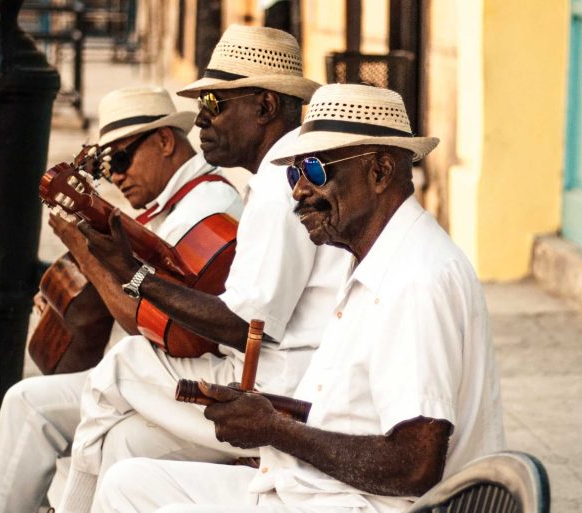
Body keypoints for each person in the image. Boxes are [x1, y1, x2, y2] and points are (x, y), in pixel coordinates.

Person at [97, 83, 507, 513]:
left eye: (314, 170)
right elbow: (353, 412)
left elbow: (415, 465)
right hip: (325, 490)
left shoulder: (415, 279)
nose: (297, 191)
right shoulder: (374, 260)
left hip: (370, 505)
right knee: (127, 484)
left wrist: (274, 429)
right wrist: (263, 410)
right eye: (293, 174)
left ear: (380, 170)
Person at [56, 25, 352, 513]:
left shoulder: (284, 183)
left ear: (264, 107)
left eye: (215, 102)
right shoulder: (286, 173)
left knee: (117, 369)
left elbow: (244, 325)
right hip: (281, 374)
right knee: (125, 440)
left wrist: (134, 276)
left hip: (281, 393)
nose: (201, 123)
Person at [0, 86, 244, 513]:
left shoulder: (206, 207)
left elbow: (146, 320)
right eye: (105, 165)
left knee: (29, 406)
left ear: (165, 141)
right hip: (162, 370)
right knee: (39, 407)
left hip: (192, 376)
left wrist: (83, 250)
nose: (113, 176)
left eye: (119, 159)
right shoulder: (172, 204)